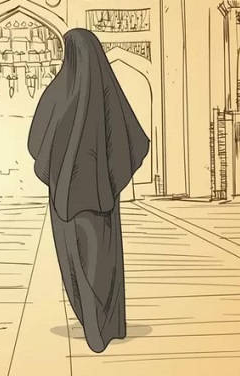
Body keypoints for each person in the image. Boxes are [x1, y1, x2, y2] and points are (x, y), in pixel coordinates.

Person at [27, 28, 150, 353]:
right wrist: (107, 177)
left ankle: (92, 325)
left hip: (65, 199)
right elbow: (134, 141)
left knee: (75, 261)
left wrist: (60, 170)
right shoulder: (110, 91)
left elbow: (35, 142)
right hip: (102, 199)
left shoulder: (56, 93)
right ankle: (111, 326)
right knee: (103, 260)